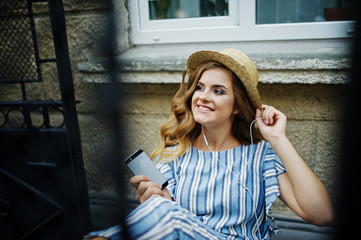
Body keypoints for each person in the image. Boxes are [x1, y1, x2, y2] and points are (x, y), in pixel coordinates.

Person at [85, 48, 333, 240]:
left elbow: (321, 215)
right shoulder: (174, 155)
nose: (203, 96)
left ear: (237, 106)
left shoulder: (260, 155)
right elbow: (171, 222)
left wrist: (278, 138)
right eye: (200, 87)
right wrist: (151, 205)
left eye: (218, 91)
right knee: (165, 211)